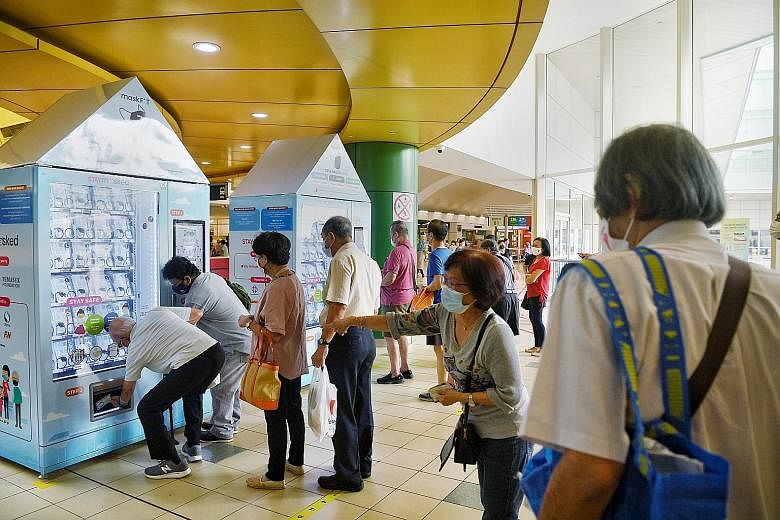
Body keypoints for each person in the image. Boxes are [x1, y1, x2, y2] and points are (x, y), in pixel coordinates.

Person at [521, 124, 780, 520]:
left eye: (607, 211)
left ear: (632, 195)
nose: (607, 228)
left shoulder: (599, 285)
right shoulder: (771, 289)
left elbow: (592, 470)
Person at [328, 249, 533, 519]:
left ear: (476, 291)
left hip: (509, 432)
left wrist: (460, 397)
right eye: (444, 280)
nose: (444, 288)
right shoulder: (445, 315)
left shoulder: (496, 334)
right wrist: (354, 321)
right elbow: (400, 322)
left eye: (452, 284)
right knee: (491, 500)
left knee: (500, 510)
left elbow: (511, 397)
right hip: (480, 425)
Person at [109, 308, 224, 479]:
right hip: (215, 351)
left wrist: (122, 402)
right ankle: (193, 446)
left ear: (123, 339)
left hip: (192, 363)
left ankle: (172, 462)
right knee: (193, 392)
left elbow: (128, 389)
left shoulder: (135, 348)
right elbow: (196, 313)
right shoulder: (155, 313)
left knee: (148, 408)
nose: (122, 346)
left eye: (119, 343)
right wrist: (182, 338)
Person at [311, 216, 381, 492]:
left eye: (323, 239)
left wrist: (323, 344)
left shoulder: (341, 260)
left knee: (342, 408)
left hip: (345, 339)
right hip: (366, 338)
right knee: (362, 404)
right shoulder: (369, 261)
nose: (324, 245)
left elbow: (337, 308)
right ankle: (363, 464)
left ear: (330, 236)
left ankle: (347, 474)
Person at [238, 232, 308, 490]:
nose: (257, 261)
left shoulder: (277, 288)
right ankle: (296, 462)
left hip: (276, 366)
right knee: (293, 412)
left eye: (258, 257)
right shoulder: (293, 280)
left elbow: (274, 334)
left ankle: (275, 475)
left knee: (275, 419)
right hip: (293, 362)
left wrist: (249, 323)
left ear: (265, 259)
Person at [162, 256, 251, 443]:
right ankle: (230, 422)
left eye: (175, 283)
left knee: (222, 388)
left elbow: (190, 323)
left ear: (187, 279)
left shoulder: (198, 293)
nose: (174, 287)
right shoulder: (211, 277)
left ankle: (222, 430)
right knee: (231, 387)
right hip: (242, 341)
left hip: (234, 345)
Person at [377, 221, 417, 384]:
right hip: (407, 297)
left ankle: (394, 373)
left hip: (393, 299)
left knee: (390, 336)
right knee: (402, 334)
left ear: (395, 235)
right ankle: (405, 368)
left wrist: (378, 281)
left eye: (390, 235)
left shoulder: (397, 251)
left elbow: (391, 277)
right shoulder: (411, 251)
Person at [418, 219, 452, 402]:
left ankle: (441, 388)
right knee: (449, 349)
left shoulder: (435, 256)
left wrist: (426, 288)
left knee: (439, 350)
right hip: (451, 305)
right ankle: (450, 384)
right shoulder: (450, 253)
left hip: (438, 307)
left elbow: (438, 282)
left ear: (430, 235)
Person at [480, 239, 520, 335]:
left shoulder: (489, 260)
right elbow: (514, 277)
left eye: (482, 250)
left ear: (488, 250)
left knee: (498, 332)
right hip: (513, 298)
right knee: (508, 332)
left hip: (501, 298)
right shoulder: (506, 259)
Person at [523, 237, 550, 356]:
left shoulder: (544, 261)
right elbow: (528, 278)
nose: (534, 247)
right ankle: (537, 345)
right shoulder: (534, 260)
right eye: (533, 245)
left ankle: (543, 347)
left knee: (537, 320)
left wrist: (530, 277)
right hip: (531, 293)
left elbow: (531, 279)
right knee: (533, 319)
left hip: (539, 293)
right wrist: (529, 277)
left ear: (543, 248)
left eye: (537, 245)